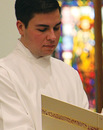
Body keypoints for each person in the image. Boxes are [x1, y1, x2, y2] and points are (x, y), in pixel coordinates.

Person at [0, 0, 89, 129]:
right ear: (20, 27)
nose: (52, 37)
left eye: (57, 28)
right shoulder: (5, 75)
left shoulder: (69, 74)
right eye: (43, 29)